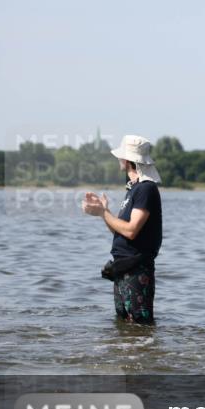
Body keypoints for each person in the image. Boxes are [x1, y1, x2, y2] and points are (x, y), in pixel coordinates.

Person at [82, 135, 163, 325]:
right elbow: (122, 232)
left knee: (140, 325)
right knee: (125, 326)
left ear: (127, 160)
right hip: (123, 267)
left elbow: (131, 230)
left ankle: (144, 354)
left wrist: (103, 211)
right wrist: (104, 213)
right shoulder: (133, 189)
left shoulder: (146, 189)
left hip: (137, 269)